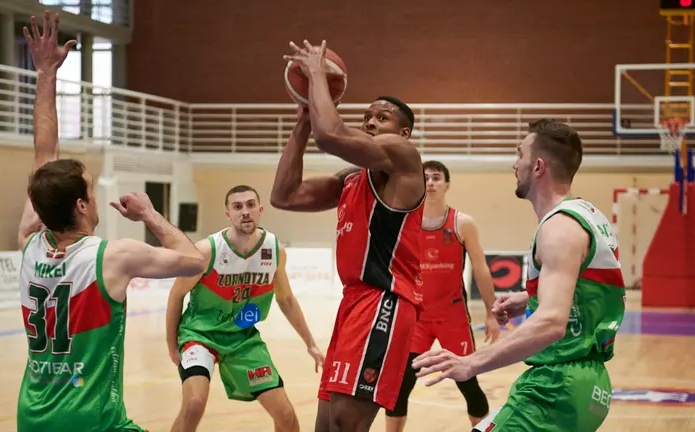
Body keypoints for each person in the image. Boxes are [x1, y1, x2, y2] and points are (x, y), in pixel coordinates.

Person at [15, 12, 206, 432]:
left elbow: (43, 153)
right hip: (93, 421)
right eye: (91, 188)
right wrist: (149, 214)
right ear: (82, 206)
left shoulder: (29, 241)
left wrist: (45, 73)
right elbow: (194, 262)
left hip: (32, 417)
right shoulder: (113, 256)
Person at [413, 119, 626, 432]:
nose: (515, 164)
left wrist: (469, 363)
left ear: (538, 166)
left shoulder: (559, 228)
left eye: (520, 155)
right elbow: (590, 285)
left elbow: (552, 323)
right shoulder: (587, 214)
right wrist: (531, 297)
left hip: (556, 386)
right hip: (589, 383)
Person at [272, 40, 426, 432]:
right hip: (353, 303)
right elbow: (284, 196)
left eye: (383, 117)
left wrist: (318, 78)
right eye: (368, 116)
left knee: (345, 421)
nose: (372, 122)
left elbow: (332, 135)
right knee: (325, 425)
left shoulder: (404, 157)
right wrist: (304, 119)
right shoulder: (351, 179)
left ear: (403, 132)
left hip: (385, 301)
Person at [165, 184, 326, 432]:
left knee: (286, 415)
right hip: (200, 336)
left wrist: (310, 343)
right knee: (194, 404)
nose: (245, 212)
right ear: (228, 214)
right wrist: (172, 345)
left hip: (243, 339)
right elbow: (176, 296)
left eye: (250, 205)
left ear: (260, 210)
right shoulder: (207, 251)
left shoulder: (273, 250)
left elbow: (286, 300)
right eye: (237, 207)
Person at [385, 160, 501, 431]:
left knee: (468, 382)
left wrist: (491, 312)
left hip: (453, 316)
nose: (430, 183)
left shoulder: (462, 223)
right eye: (425, 178)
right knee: (402, 384)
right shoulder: (404, 223)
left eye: (436, 178)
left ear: (447, 184)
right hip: (417, 317)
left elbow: (482, 270)